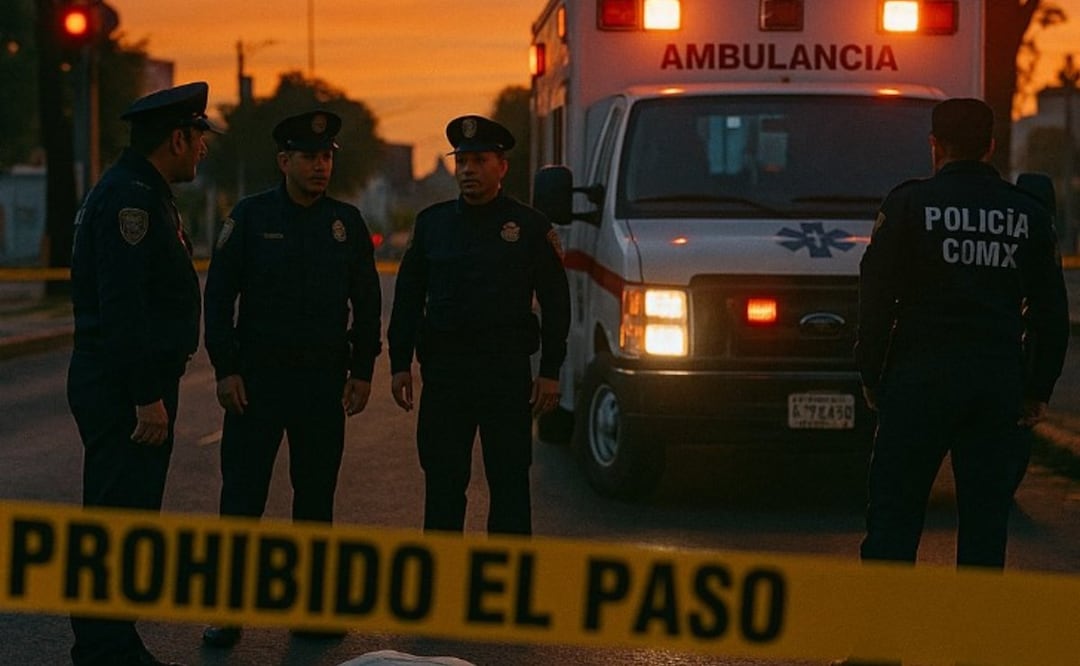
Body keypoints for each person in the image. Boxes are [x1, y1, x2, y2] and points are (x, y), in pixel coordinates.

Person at [838, 98, 1070, 665]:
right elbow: (1050, 311)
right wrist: (1037, 388)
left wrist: (871, 374)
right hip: (996, 384)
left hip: (918, 382)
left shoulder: (909, 205)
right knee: (986, 525)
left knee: (894, 520)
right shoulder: (1026, 213)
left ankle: (879, 651)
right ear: (992, 146)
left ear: (935, 145)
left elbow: (874, 299)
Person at [200, 109, 382, 648]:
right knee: (242, 499)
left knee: (315, 499)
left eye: (326, 156)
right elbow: (218, 296)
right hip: (257, 383)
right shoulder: (251, 217)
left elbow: (367, 303)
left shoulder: (346, 223)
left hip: (321, 383)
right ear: (284, 161)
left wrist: (363, 370)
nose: (320, 166)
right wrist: (225, 367)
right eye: (309, 157)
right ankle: (227, 612)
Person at [67, 81, 218, 666]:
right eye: (199, 138)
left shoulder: (142, 189)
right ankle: (102, 648)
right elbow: (123, 306)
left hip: (125, 381)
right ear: (177, 137)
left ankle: (114, 640)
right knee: (115, 515)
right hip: (123, 385)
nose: (203, 150)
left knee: (127, 516)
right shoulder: (131, 197)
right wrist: (146, 395)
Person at [387, 114, 571, 536]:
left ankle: (506, 587)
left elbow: (556, 303)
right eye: (462, 162)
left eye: (479, 161)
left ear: (502, 166)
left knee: (509, 488)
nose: (468, 170)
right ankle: (443, 583)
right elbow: (409, 299)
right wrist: (400, 363)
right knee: (443, 488)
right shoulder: (433, 225)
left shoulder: (529, 228)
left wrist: (550, 371)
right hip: (446, 378)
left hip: (504, 378)